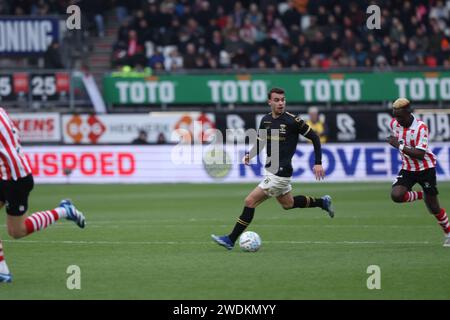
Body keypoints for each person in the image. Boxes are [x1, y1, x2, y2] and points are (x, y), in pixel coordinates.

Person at [211, 87, 334, 250]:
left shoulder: (293, 121)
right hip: (271, 169)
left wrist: (318, 162)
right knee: (288, 204)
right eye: (276, 100)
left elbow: (315, 137)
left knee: (250, 201)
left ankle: (230, 239)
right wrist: (250, 154)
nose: (280, 103)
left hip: (280, 173)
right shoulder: (266, 120)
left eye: (283, 99)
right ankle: (322, 202)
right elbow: (261, 141)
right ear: (270, 102)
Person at [0, 107, 85, 283]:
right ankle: (2, 271)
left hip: (15, 179)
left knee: (17, 231)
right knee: (16, 230)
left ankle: (64, 211)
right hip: (5, 175)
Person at [387, 98, 450, 247]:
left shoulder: (421, 127)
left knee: (433, 207)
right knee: (396, 195)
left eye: (400, 116)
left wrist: (399, 146)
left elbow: (420, 154)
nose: (397, 119)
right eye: (395, 116)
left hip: (425, 169)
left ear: (408, 112)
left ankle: (448, 233)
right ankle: (421, 195)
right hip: (408, 168)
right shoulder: (394, 124)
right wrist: (400, 145)